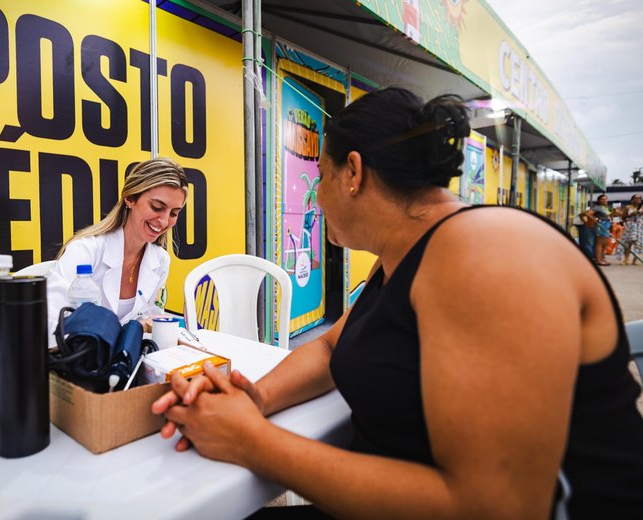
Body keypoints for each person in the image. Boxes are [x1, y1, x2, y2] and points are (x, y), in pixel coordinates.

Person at [152, 88, 643, 519]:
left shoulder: (486, 252)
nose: (316, 198)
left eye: (320, 176)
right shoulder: (402, 257)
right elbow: (328, 350)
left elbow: (497, 507)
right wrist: (255, 400)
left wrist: (251, 442)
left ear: (354, 173)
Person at [45, 157, 188, 339]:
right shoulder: (85, 250)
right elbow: (49, 322)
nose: (165, 221)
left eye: (174, 213)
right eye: (157, 207)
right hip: (79, 360)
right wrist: (137, 328)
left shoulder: (160, 260)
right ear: (130, 199)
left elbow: (150, 319)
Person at [586, 194, 614, 266]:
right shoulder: (597, 207)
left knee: (605, 244)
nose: (605, 200)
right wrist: (595, 219)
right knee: (600, 243)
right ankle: (599, 260)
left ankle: (601, 258)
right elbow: (589, 214)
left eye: (606, 199)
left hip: (607, 225)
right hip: (601, 225)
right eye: (602, 199)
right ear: (599, 200)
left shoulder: (606, 207)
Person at [619, 194, 642, 266]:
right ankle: (626, 259)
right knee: (628, 243)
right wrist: (630, 216)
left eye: (639, 198)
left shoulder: (642, 207)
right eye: (635, 198)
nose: (637, 200)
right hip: (630, 226)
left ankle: (635, 260)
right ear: (632, 200)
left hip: (640, 226)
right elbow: (623, 217)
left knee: (639, 244)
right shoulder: (628, 207)